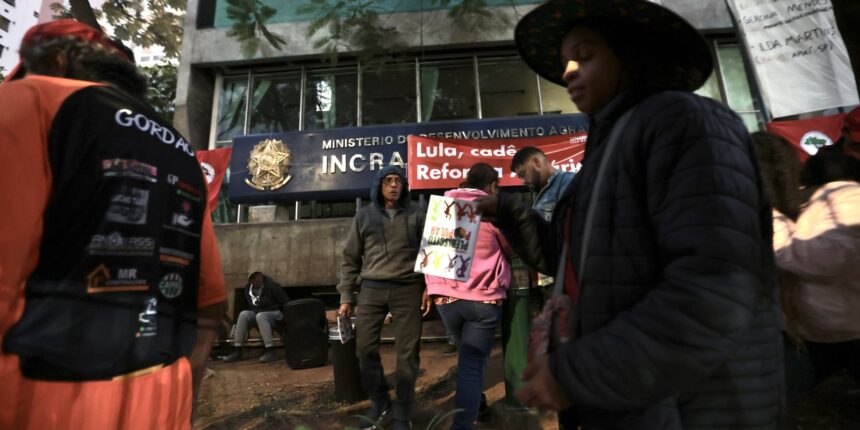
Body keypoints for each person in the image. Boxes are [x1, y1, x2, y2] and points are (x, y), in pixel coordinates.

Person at [477, 1, 784, 428]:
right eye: (565, 60)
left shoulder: (684, 122)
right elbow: (573, 264)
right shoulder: (606, 150)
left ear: (632, 55)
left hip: (691, 407)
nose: (567, 72)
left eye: (584, 56)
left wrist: (577, 373)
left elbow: (713, 290)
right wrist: (506, 210)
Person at [0, 20, 226, 429]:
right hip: (161, 400)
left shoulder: (27, 103)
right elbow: (209, 307)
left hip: (36, 400)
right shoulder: (179, 151)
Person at [337, 165, 431, 430]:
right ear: (379, 185)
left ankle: (403, 410)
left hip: (408, 289)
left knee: (408, 354)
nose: (393, 185)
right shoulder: (363, 216)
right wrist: (346, 295)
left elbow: (431, 253)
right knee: (364, 348)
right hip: (371, 289)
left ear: (404, 186)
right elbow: (350, 258)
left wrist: (428, 287)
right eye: (388, 180)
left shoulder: (417, 214)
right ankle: (380, 400)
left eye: (398, 181)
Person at [424, 163, 513, 429]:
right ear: (492, 186)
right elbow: (510, 249)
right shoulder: (491, 211)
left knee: (467, 359)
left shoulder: (443, 208)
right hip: (483, 300)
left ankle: (478, 405)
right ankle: (463, 424)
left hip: (446, 301)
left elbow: (431, 251)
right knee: (472, 365)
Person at [772, 149, 860, 393]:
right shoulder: (822, 201)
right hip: (830, 328)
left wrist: (773, 221)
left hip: (840, 328)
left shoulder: (848, 200)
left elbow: (824, 261)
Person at [222, 272, 290, 363]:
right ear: (250, 280)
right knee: (244, 314)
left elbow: (285, 302)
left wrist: (286, 319)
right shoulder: (248, 289)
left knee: (260, 316)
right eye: (253, 278)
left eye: (258, 277)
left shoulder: (272, 286)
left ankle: (270, 351)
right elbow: (253, 306)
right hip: (259, 312)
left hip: (275, 313)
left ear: (261, 277)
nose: (256, 280)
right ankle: (237, 350)